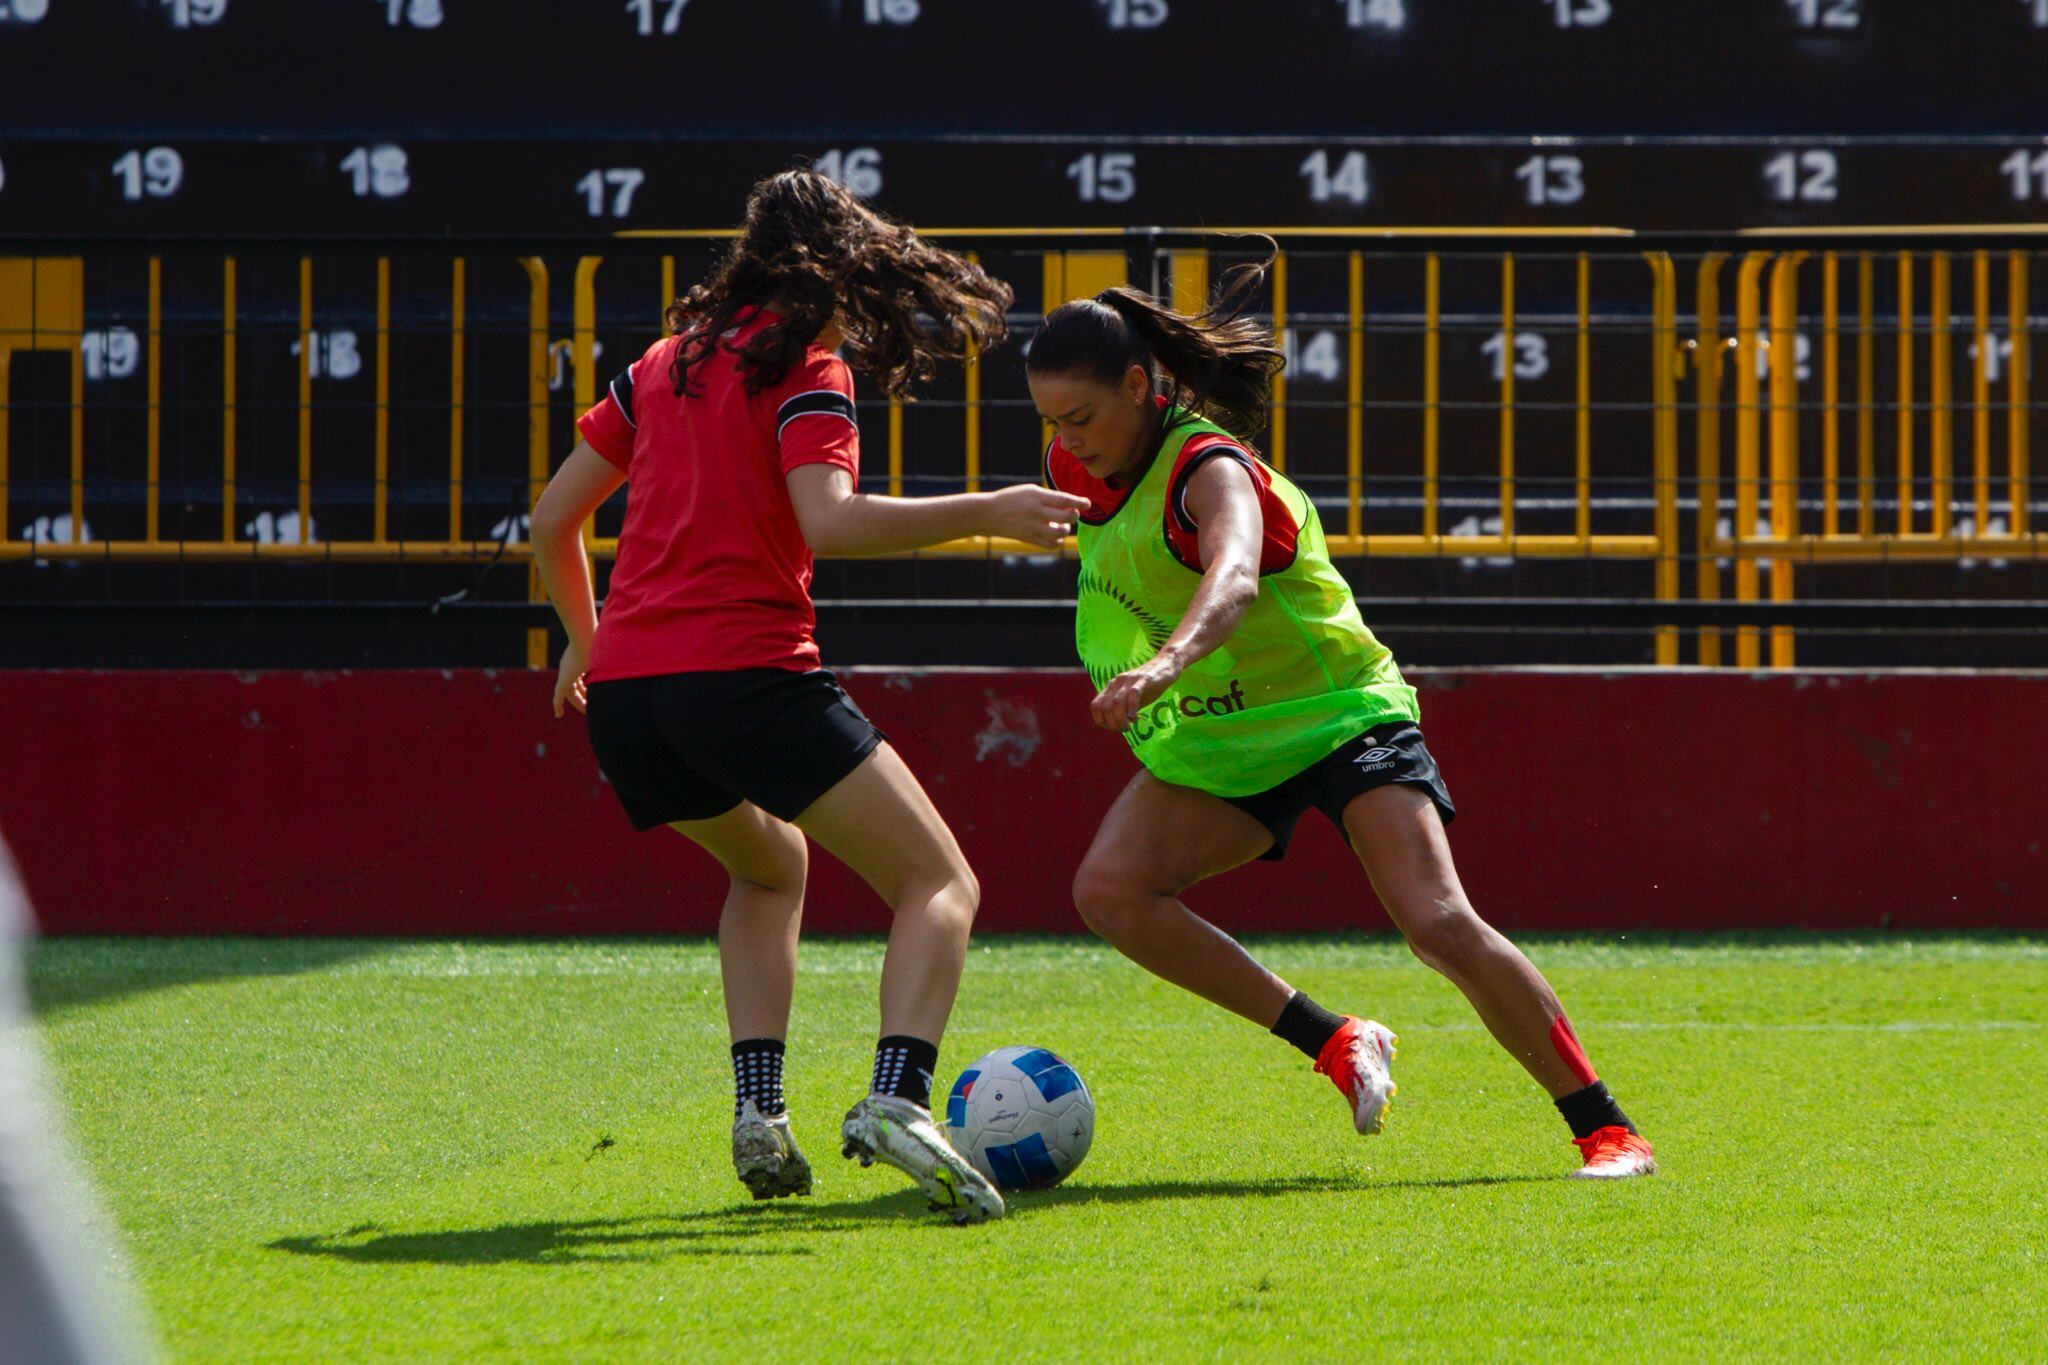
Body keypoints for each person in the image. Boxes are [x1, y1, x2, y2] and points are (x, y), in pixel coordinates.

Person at [530, 169, 1091, 1222]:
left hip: (632, 705)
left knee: (771, 865)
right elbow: (826, 522)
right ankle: (896, 1101)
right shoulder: (808, 370)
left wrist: (586, 643)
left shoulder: (661, 367)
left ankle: (758, 1113)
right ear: (841, 271)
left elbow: (552, 520)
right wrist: (991, 513)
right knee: (940, 884)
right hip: (743, 677)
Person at [1026, 249, 1656, 1179]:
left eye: (1081, 417)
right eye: (1049, 422)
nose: (1066, 440)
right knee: (1110, 892)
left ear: (1137, 384)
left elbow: (1234, 575)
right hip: (1226, 733)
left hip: (1339, 714)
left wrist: (1165, 662)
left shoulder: (1208, 467)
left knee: (1437, 921)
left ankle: (1608, 1129)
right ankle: (1334, 1039)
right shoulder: (1076, 464)